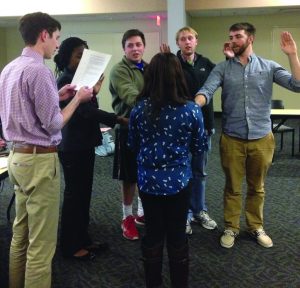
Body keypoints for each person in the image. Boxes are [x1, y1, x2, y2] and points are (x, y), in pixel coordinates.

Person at [0, 12, 93, 288]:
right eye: (56, 38)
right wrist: (77, 99)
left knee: (21, 234)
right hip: (39, 162)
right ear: (44, 35)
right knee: (41, 247)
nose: (56, 44)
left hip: (17, 158)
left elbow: (24, 109)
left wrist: (58, 94)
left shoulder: (9, 68)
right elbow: (54, 125)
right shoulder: (39, 70)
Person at [195, 22, 300, 249]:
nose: (233, 40)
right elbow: (206, 91)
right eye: (231, 36)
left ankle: (255, 227)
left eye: (238, 36)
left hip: (262, 138)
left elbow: (297, 85)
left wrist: (293, 55)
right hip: (232, 138)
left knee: (257, 187)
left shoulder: (268, 66)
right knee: (232, 187)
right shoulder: (223, 68)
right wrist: (193, 107)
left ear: (250, 38)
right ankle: (231, 228)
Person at [128, 52, 207, 288]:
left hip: (148, 183)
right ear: (177, 76)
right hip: (179, 183)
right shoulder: (192, 110)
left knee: (152, 234)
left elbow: (133, 144)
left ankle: (153, 283)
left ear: (150, 77)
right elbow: (199, 146)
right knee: (176, 235)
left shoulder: (139, 110)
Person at [53, 37, 128, 260]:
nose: (82, 59)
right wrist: (118, 119)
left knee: (84, 195)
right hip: (72, 147)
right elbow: (86, 113)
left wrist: (94, 91)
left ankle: (83, 239)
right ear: (67, 57)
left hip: (83, 144)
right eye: (78, 55)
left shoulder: (79, 79)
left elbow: (87, 108)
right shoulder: (65, 80)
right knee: (75, 196)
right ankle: (70, 246)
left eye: (85, 55)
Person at [175, 26, 217, 234]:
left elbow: (223, 81)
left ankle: (199, 210)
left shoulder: (207, 64)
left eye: (190, 38)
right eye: (183, 39)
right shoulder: (172, 64)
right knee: (183, 172)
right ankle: (185, 214)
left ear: (196, 41)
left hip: (205, 127)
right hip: (180, 129)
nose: (187, 42)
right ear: (178, 43)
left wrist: (228, 60)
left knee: (199, 172)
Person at [109, 29, 146, 240]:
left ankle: (141, 214)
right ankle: (127, 217)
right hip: (127, 129)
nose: (135, 48)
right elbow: (131, 97)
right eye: (130, 45)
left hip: (146, 130)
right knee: (129, 177)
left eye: (138, 44)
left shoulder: (148, 68)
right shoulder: (119, 70)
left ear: (143, 46)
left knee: (143, 172)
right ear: (124, 48)